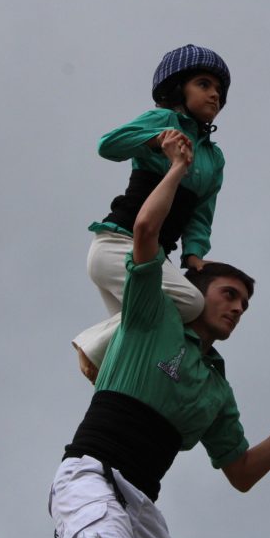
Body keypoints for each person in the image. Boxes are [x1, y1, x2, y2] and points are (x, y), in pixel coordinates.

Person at [48, 129, 270, 538]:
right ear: (198, 293)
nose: (238, 308)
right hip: (91, 478)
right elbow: (144, 231)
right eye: (229, 294)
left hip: (141, 506)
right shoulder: (154, 314)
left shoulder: (216, 391)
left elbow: (242, 473)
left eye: (245, 305)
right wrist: (177, 168)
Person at [72, 44, 232, 382]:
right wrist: (157, 140)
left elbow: (201, 213)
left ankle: (114, 385)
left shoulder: (214, 159)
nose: (215, 95)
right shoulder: (165, 121)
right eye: (204, 84)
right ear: (178, 89)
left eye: (219, 90)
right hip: (120, 245)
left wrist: (193, 253)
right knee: (190, 304)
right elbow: (108, 144)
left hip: (154, 257)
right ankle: (91, 345)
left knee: (145, 337)